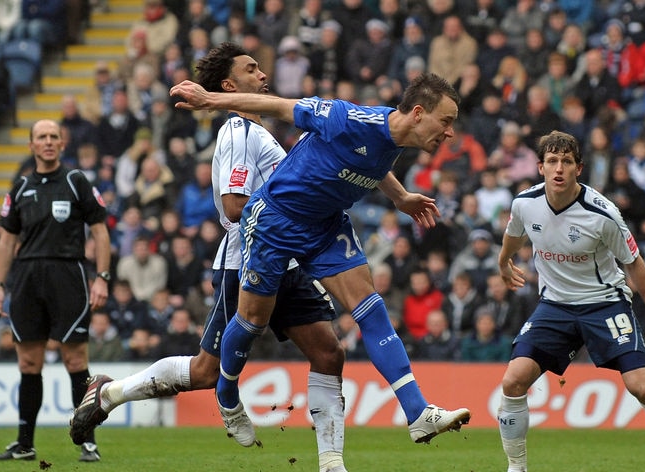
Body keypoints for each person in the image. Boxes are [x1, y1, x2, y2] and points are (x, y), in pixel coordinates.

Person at [70, 43, 351, 472]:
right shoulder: (237, 130)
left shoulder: (262, 134)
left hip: (287, 259)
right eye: (251, 68)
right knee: (205, 372)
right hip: (246, 260)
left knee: (329, 354)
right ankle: (110, 393)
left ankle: (332, 465)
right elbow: (235, 205)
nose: (262, 74)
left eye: (260, 67)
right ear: (228, 85)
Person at [169, 71, 471, 444]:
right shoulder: (345, 118)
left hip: (325, 225)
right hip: (275, 220)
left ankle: (417, 412)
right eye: (446, 121)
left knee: (371, 307)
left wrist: (400, 197)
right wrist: (209, 100)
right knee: (252, 321)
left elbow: (372, 164)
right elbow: (278, 106)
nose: (450, 132)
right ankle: (227, 395)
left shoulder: (396, 139)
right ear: (419, 113)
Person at [496, 131, 645, 472]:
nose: (559, 169)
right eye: (552, 162)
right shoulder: (525, 203)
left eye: (566, 162)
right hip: (555, 305)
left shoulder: (602, 214)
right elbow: (513, 235)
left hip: (605, 304)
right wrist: (503, 262)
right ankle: (517, 467)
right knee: (513, 381)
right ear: (540, 167)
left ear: (579, 169)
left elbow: (635, 265)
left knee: (643, 390)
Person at [0, 120, 111, 463]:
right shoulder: (20, 186)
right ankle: (24, 444)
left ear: (62, 143)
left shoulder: (76, 181)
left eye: (53, 136)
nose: (47, 141)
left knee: (75, 359)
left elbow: (100, 231)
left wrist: (101, 277)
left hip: (67, 274)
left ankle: (87, 440)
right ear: (31, 145)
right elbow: (7, 240)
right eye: (41, 137)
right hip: (26, 277)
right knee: (29, 363)